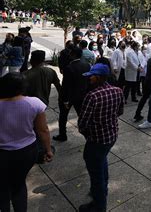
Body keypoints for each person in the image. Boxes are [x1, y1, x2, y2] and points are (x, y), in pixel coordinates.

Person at [0, 73, 53, 212]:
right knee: (18, 185)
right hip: (26, 152)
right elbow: (43, 130)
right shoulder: (34, 103)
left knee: (2, 187)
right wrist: (48, 150)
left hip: (2, 154)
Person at [78, 63, 124, 212]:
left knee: (96, 172)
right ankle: (101, 192)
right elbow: (120, 112)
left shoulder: (92, 96)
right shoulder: (117, 91)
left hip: (96, 140)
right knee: (101, 163)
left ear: (99, 78)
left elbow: (82, 123)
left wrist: (89, 133)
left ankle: (99, 206)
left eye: (92, 76)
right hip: (111, 136)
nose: (89, 78)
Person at [54, 47, 90, 141]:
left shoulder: (69, 68)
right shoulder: (86, 65)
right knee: (82, 116)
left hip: (69, 97)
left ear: (73, 54)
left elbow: (66, 85)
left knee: (63, 116)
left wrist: (65, 100)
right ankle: (88, 136)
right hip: (81, 95)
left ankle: (63, 135)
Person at [134, 45, 151, 122]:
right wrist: (141, 67)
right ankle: (141, 115)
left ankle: (138, 113)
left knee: (150, 97)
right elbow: (143, 63)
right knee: (149, 97)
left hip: (148, 80)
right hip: (150, 81)